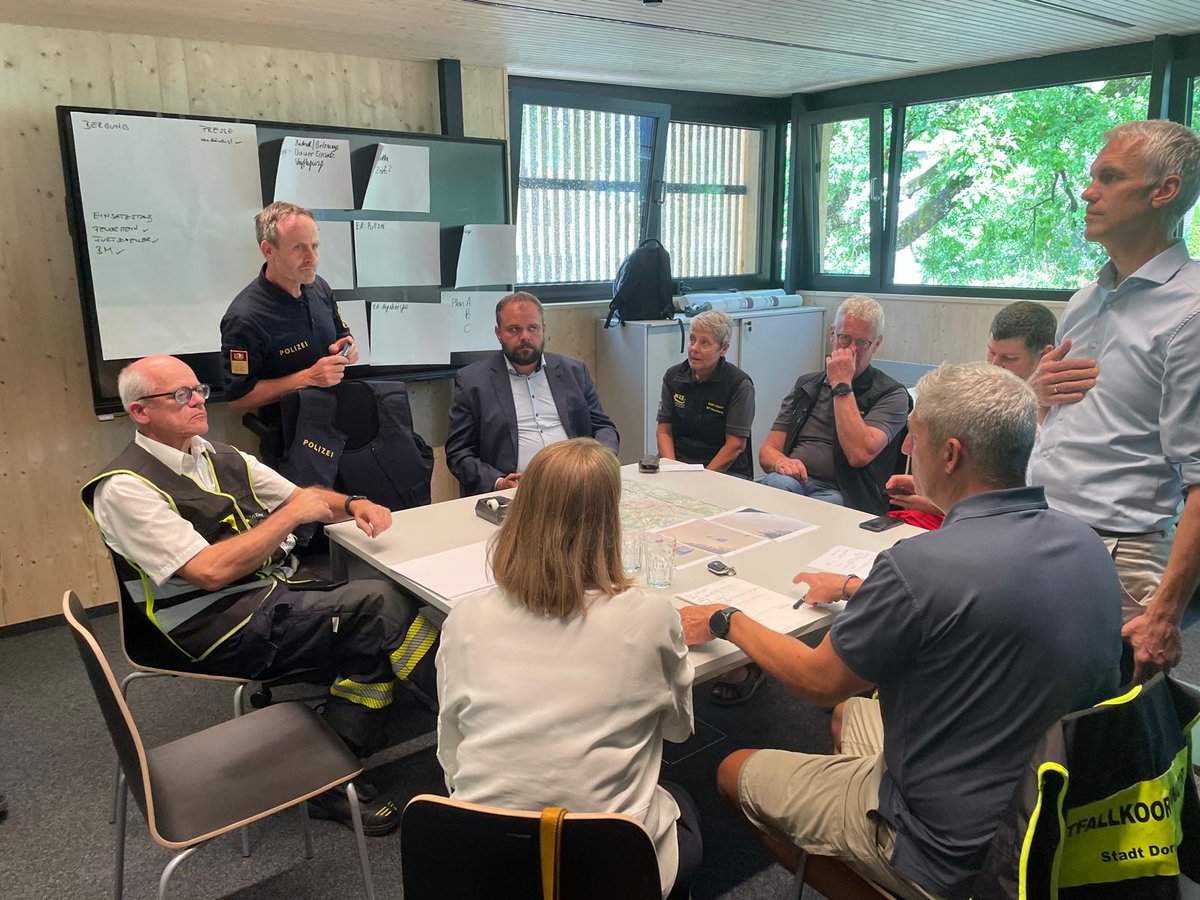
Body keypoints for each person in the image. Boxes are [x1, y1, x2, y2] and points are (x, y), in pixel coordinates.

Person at [680, 364, 1122, 900]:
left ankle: (895, 870)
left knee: (732, 771)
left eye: (915, 435)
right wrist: (854, 586)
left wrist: (726, 618)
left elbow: (817, 681)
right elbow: (980, 600)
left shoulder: (920, 564)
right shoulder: (1086, 544)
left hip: (948, 841)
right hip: (1047, 804)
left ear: (951, 454)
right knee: (849, 715)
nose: (907, 446)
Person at [82, 355, 438, 837]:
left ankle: (333, 769)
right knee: (380, 610)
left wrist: (353, 503)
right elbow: (209, 572)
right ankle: (476, 720)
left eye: (199, 390)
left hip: (268, 592)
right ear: (140, 412)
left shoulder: (217, 455)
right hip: (213, 626)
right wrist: (291, 517)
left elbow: (301, 496)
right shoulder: (125, 488)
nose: (198, 401)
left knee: (370, 624)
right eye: (180, 395)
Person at [436, 438, 699, 899]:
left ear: (521, 514)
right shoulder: (652, 618)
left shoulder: (465, 619)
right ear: (610, 522)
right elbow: (678, 730)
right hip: (615, 871)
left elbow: (452, 754)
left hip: (481, 864)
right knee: (684, 802)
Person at [1027, 120, 1200, 683]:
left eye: (1109, 177)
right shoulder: (1085, 300)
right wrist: (1037, 396)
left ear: (1164, 191)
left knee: (1101, 724)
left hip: (1119, 553)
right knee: (1030, 712)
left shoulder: (1192, 310)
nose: (1087, 192)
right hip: (1043, 528)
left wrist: (1165, 613)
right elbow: (1062, 423)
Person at [885, 300, 1058, 522]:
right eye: (991, 352)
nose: (995, 365)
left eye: (1009, 359)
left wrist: (941, 504)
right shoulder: (980, 394)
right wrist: (930, 484)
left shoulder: (1062, 417)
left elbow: (1035, 503)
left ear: (1045, 355)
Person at [445, 291, 619, 495]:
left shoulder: (574, 371)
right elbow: (459, 453)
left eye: (532, 328)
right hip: (515, 493)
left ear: (543, 329)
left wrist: (598, 463)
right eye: (514, 329)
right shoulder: (473, 381)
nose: (525, 337)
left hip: (577, 485)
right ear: (498, 333)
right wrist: (499, 483)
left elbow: (604, 427)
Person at [759, 294, 909, 512]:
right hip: (794, 480)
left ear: (876, 344)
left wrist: (842, 385)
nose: (851, 350)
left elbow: (859, 454)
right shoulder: (807, 385)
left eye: (862, 343)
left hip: (846, 493)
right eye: (844, 338)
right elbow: (768, 451)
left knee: (823, 509)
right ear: (832, 334)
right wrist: (780, 462)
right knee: (776, 484)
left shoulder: (892, 394)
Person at [220, 201, 359, 414]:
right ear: (268, 250)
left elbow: (342, 334)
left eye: (315, 246)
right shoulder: (244, 318)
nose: (311, 258)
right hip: (290, 426)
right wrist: (307, 378)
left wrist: (346, 347)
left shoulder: (319, 287)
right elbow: (238, 398)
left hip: (334, 413)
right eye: (298, 248)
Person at [656, 310, 755, 479]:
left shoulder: (739, 384)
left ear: (723, 349)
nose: (694, 348)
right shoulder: (673, 377)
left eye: (704, 343)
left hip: (723, 471)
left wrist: (702, 479)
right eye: (692, 340)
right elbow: (664, 431)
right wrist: (672, 470)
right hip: (679, 465)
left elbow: (735, 445)